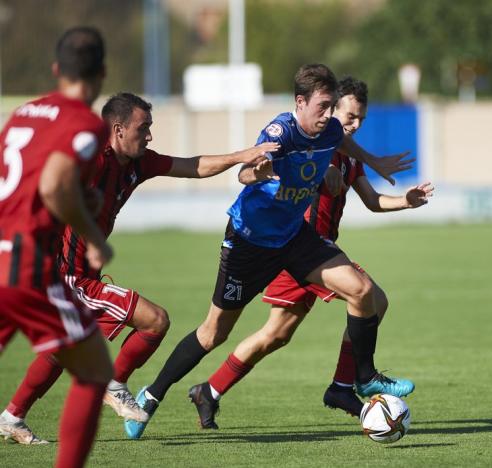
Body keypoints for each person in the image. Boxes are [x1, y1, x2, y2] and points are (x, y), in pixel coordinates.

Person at [125, 64, 416, 439]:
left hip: (295, 238)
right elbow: (245, 174)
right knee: (214, 333)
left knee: (362, 292)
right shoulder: (281, 131)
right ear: (300, 102)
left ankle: (361, 379)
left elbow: (340, 141)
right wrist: (259, 173)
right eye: (322, 107)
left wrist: (375, 160)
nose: (329, 117)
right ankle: (151, 396)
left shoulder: (328, 129)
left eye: (332, 107)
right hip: (249, 242)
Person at [0, 92, 277, 443]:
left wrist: (243, 155)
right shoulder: (92, 161)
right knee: (155, 320)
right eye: (143, 128)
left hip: (77, 275)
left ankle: (12, 416)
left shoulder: (137, 163)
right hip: (71, 277)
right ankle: (113, 384)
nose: (149, 136)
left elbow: (192, 166)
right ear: (117, 130)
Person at [0, 27, 113, 468]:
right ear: (102, 72)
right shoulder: (85, 123)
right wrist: (95, 235)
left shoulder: (24, 112)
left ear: (55, 69)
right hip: (24, 264)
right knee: (95, 372)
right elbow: (52, 185)